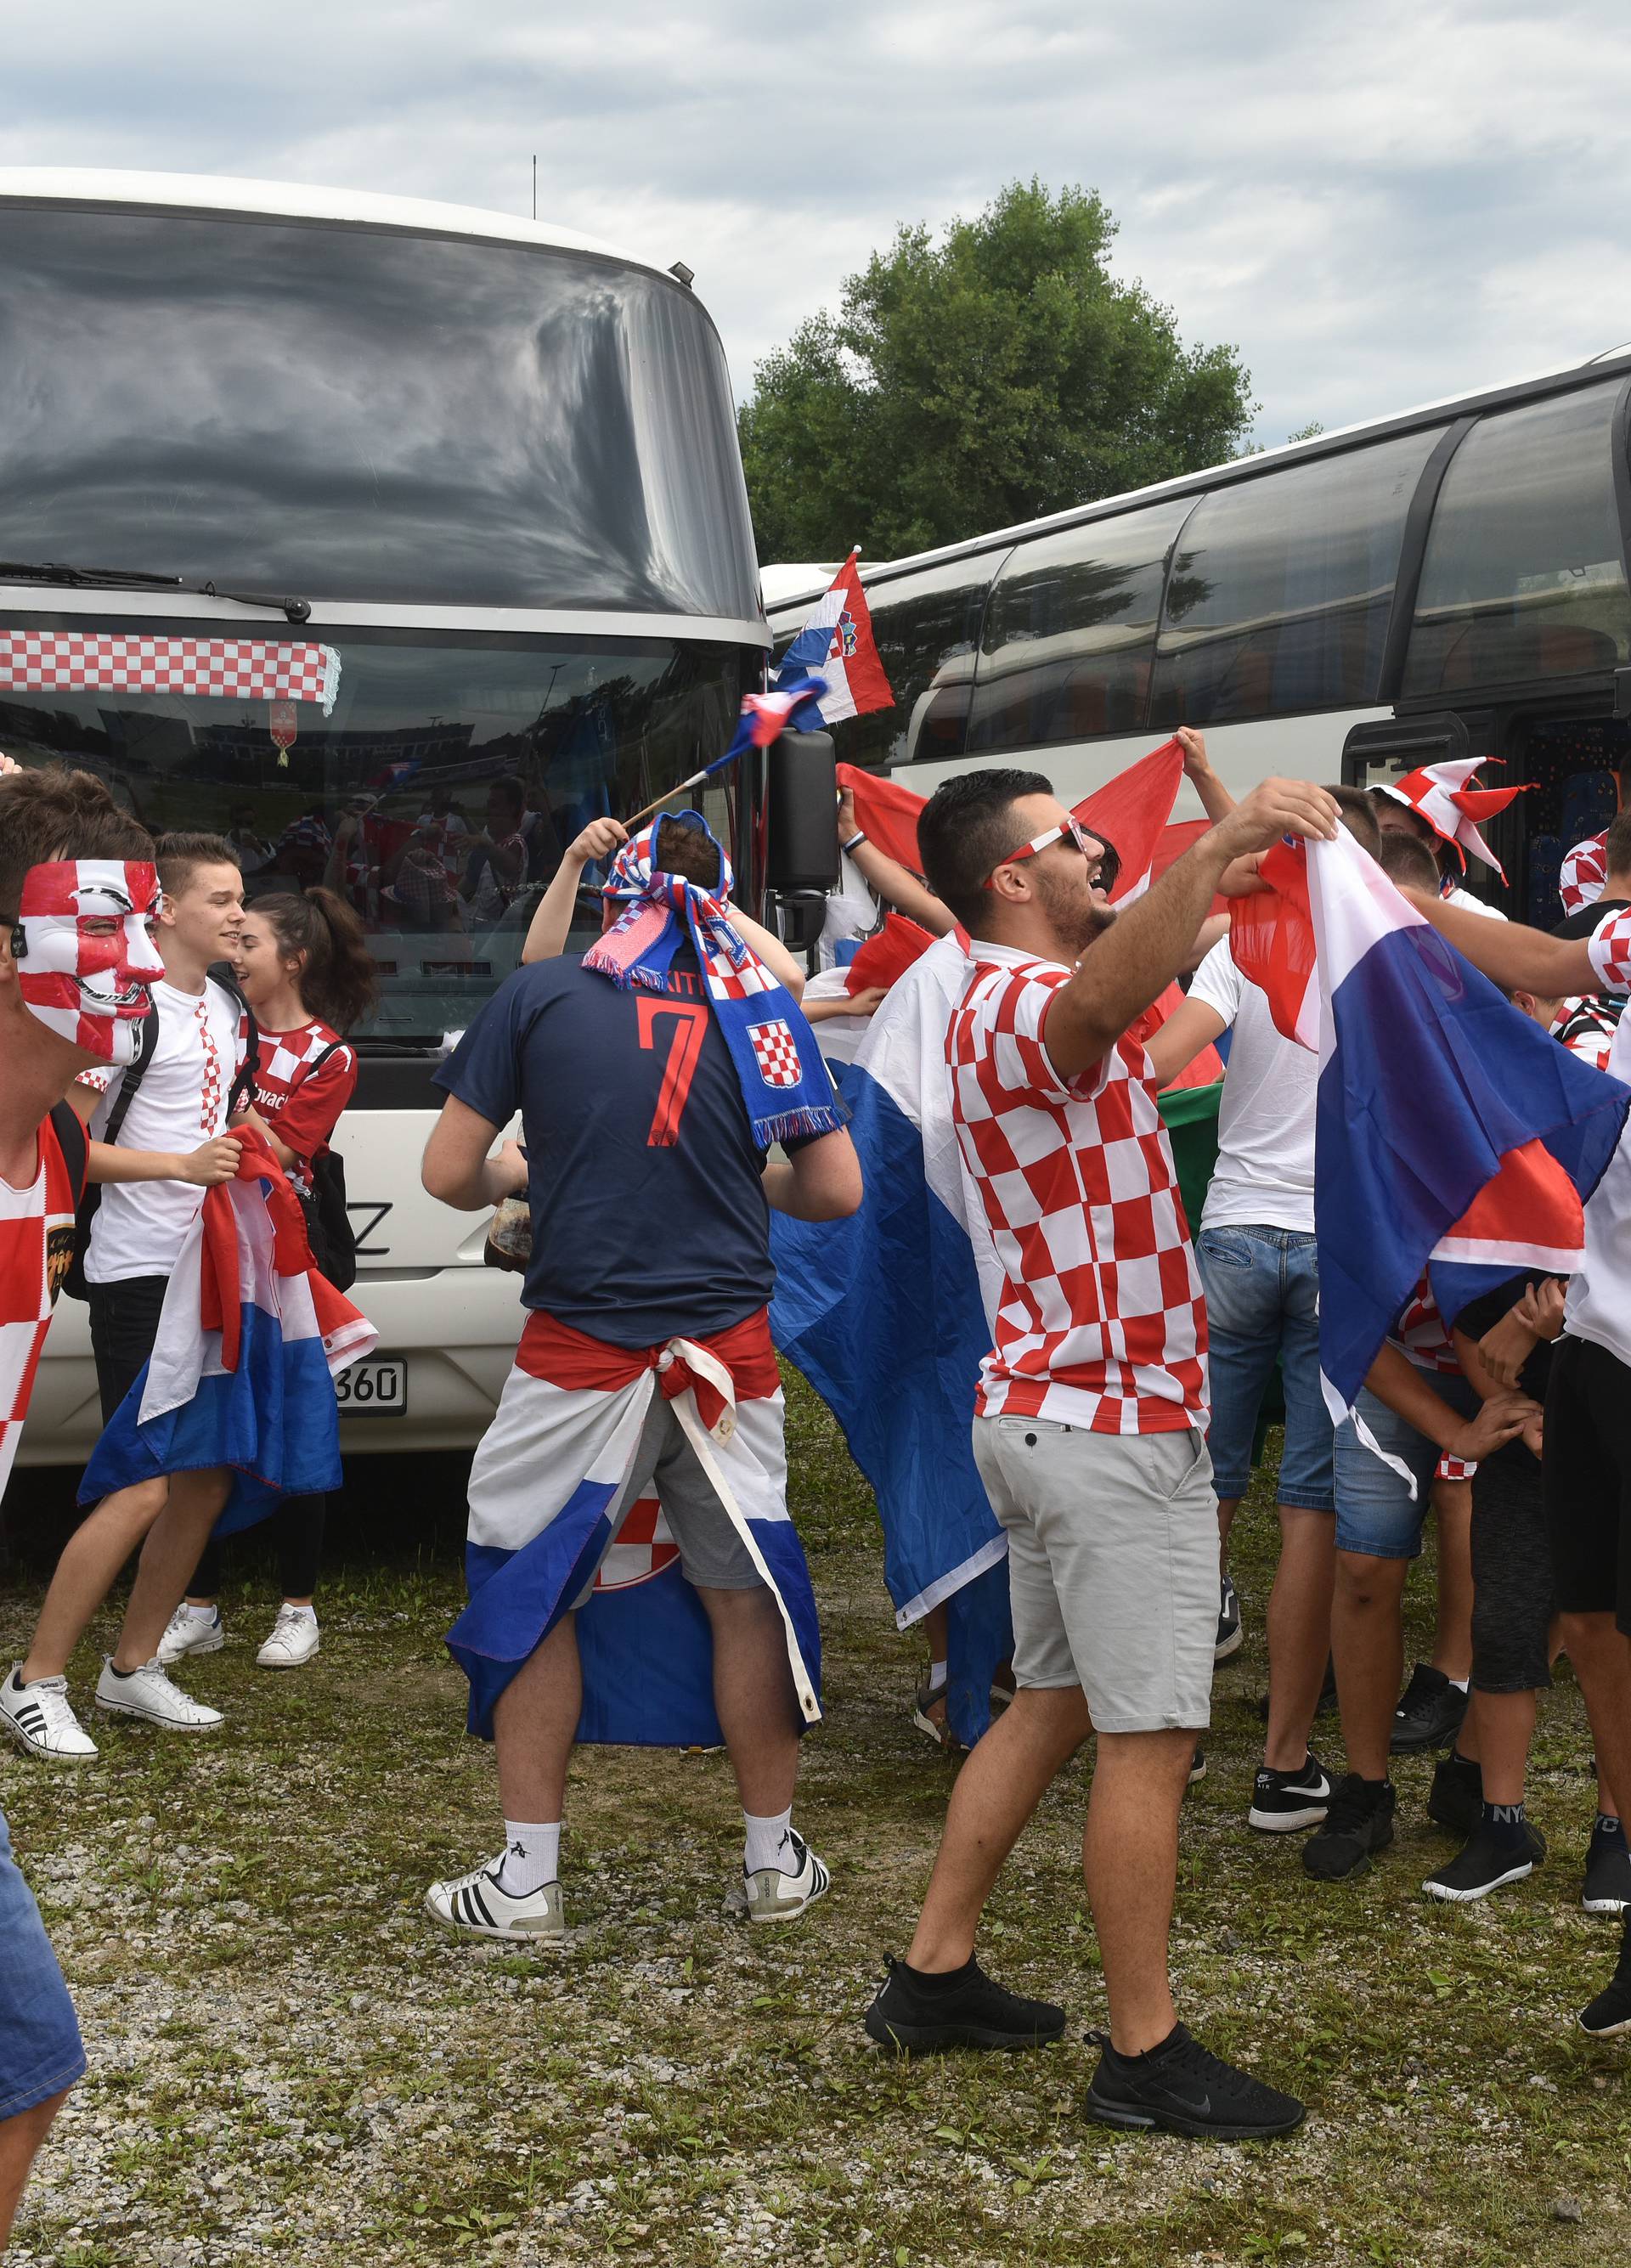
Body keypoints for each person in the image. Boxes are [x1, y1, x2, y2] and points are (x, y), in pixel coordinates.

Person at [863, 763, 1340, 2141]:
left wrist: (1241, 894)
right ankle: (1144, 2055)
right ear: (1011, 879)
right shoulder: (1017, 1002)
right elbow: (1100, 1001)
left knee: (1052, 1704)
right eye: (1067, 837)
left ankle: (934, 1975)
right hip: (1106, 1425)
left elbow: (1163, 992)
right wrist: (1225, 839)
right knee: (1153, 1737)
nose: (1093, 848)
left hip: (1049, 1415)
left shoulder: (1021, 1005)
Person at [421, 810, 861, 1944]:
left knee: (533, 1582)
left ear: (614, 895)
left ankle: (528, 1878)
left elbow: (448, 1173)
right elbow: (837, 1190)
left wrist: (532, 1168)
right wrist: (739, 1180)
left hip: (582, 1345)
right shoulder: (759, 1010)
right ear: (719, 900)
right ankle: (771, 1860)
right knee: (743, 1589)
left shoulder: (541, 994)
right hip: (727, 1349)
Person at [1399, 883, 1631, 2034]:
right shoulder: (1618, 951)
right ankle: (1554, 1842)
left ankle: (1616, 1838)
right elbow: (1543, 951)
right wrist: (1402, 898)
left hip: (1598, 1358)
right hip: (1585, 1362)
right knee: (1565, 1622)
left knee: (1610, 1625)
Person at [1143, 784, 1383, 1836]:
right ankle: (1284, 1765)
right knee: (1310, 1508)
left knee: (1204, 1493)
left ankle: (1173, 1741)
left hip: (1234, 1230)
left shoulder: (1243, 945)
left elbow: (1155, 1062)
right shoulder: (1387, 954)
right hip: (1340, 1243)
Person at [0, 763, 164, 2250]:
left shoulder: (53, 1150)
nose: (142, 967)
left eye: (147, 923)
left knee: (22, 2069)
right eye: (94, 927)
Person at [0, 835, 248, 1761]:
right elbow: (63, 1143)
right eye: (218, 898)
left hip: (207, 1271)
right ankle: (35, 1679)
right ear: (165, 911)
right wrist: (180, 1165)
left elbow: (218, 1120)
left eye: (240, 898)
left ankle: (131, 1665)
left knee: (204, 1475)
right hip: (137, 1270)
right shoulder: (119, 1014)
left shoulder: (225, 1006)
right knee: (141, 1482)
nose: (236, 914)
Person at [158, 887, 378, 1673]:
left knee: (296, 1426)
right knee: (204, 1425)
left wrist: (223, 1110)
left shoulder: (331, 1056)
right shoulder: (221, 1023)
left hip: (284, 1266)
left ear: (295, 960)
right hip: (207, 1252)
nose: (232, 954)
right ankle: (200, 1605)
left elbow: (279, 1155)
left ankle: (298, 1608)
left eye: (247, 942)